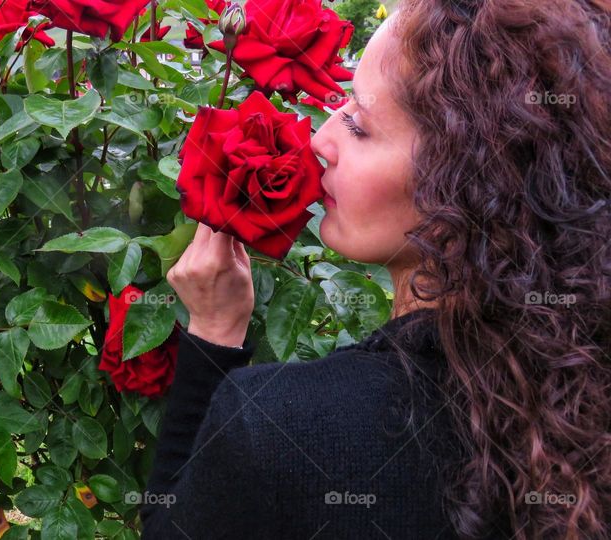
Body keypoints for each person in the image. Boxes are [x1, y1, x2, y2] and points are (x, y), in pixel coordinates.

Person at [140, 0, 611, 538]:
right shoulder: (576, 388)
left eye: (361, 127)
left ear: (466, 185)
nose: (321, 139)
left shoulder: (281, 428)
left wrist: (213, 336)